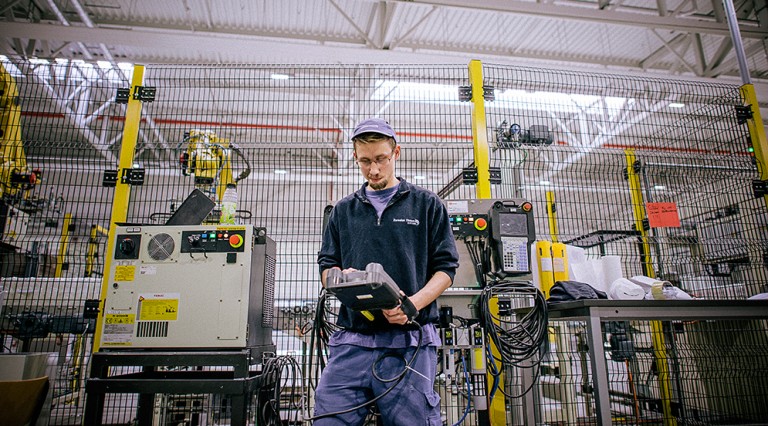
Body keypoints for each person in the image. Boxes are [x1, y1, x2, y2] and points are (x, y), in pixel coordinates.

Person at [314, 117, 459, 425]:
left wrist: (412, 304)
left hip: (409, 343)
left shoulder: (426, 205)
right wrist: (342, 280)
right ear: (355, 158)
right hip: (352, 341)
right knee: (328, 418)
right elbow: (327, 267)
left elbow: (446, 269)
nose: (374, 170)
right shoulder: (343, 210)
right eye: (365, 162)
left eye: (380, 159)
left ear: (396, 153)